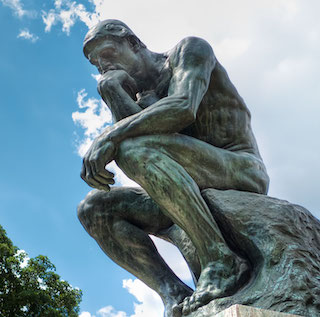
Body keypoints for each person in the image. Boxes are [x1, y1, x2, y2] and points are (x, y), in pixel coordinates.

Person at [78, 19, 269, 316]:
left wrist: (110, 135)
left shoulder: (188, 51)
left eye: (107, 53)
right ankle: (174, 294)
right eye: (96, 63)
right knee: (94, 208)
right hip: (182, 178)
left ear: (133, 42)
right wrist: (112, 92)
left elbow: (183, 107)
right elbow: (139, 134)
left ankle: (221, 260)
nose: (102, 65)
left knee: (131, 148)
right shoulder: (139, 96)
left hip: (237, 167)